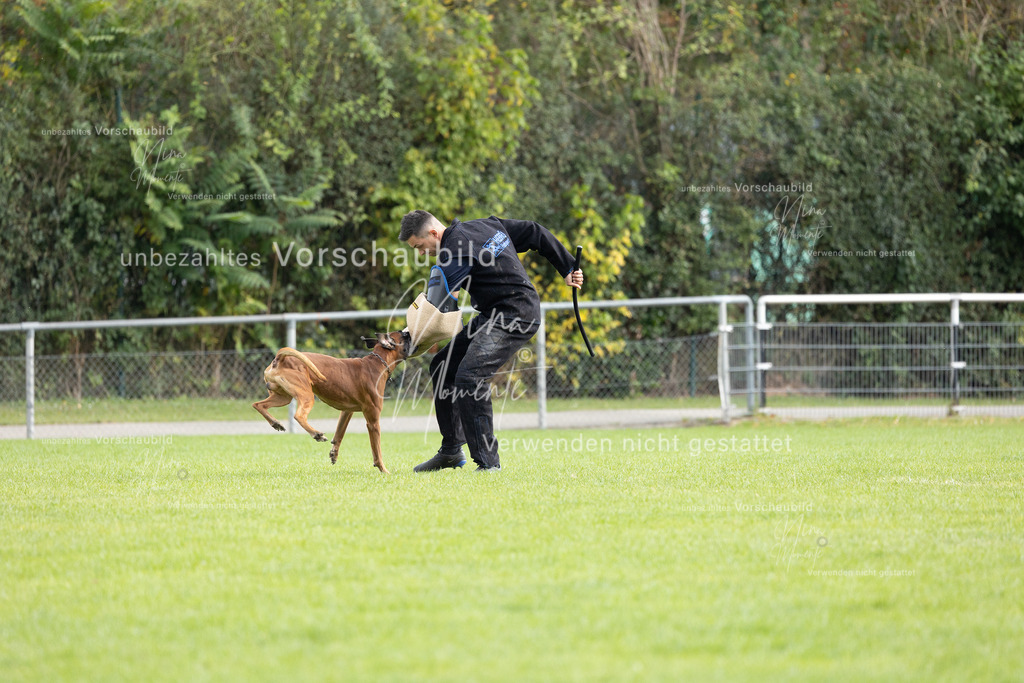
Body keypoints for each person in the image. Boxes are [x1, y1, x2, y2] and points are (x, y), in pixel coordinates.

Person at [399, 210, 584, 471]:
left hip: (515, 314)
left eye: (419, 246)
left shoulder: (453, 252)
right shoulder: (487, 226)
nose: (420, 253)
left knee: (470, 377)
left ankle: (488, 464)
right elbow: (534, 231)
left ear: (432, 233)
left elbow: (434, 308)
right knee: (443, 366)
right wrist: (566, 266)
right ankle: (451, 451)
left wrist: (401, 340)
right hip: (494, 315)